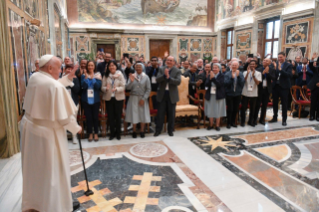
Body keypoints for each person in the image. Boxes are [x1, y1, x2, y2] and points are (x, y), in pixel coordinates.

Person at [21, 55, 81, 212]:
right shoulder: (54, 86)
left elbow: (51, 87)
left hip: (32, 131)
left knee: (36, 172)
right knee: (52, 172)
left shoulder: (35, 77)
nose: (61, 70)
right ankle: (55, 206)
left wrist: (68, 78)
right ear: (49, 68)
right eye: (59, 67)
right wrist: (76, 129)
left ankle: (35, 204)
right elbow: (64, 118)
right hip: (48, 136)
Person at [154, 56, 181, 137]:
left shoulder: (177, 70)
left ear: (174, 62)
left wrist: (169, 78)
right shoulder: (161, 69)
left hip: (172, 95)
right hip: (162, 94)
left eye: (171, 60)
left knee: (171, 114)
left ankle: (170, 130)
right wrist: (164, 76)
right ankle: (158, 130)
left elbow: (178, 82)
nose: (169, 61)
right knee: (160, 114)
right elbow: (157, 79)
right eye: (168, 60)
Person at [101, 60, 126, 140]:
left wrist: (116, 89)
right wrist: (106, 88)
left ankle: (118, 133)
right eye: (110, 65)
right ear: (108, 67)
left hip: (118, 97)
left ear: (116, 66)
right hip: (109, 98)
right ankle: (112, 133)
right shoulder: (106, 75)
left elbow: (123, 86)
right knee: (111, 117)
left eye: (113, 65)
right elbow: (102, 87)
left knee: (118, 116)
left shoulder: (120, 75)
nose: (112, 67)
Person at [125, 63, 151, 138]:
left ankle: (142, 131)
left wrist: (144, 98)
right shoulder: (132, 76)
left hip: (142, 98)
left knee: (142, 114)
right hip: (133, 97)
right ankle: (134, 131)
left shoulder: (146, 77)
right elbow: (127, 88)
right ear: (135, 68)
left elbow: (148, 89)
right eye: (137, 67)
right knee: (134, 114)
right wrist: (131, 81)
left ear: (142, 68)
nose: (138, 68)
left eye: (140, 67)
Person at [269, 52, 293, 126]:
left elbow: (289, 75)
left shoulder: (288, 65)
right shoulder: (275, 64)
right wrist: (276, 69)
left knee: (284, 104)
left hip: (284, 87)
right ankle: (274, 117)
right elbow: (274, 75)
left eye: (281, 57)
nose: (279, 59)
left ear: (285, 57)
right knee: (275, 103)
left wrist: (280, 69)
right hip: (276, 86)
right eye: (278, 57)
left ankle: (284, 120)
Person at [81, 61, 102, 142]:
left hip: (95, 99)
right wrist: (86, 78)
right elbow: (83, 86)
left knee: (95, 118)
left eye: (92, 65)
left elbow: (97, 86)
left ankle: (96, 133)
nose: (90, 67)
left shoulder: (98, 75)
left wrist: (93, 78)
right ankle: (90, 133)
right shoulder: (83, 76)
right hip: (86, 100)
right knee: (88, 118)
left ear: (94, 66)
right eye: (89, 65)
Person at [253, 58, 275, 125]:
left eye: (266, 61)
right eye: (264, 60)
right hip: (259, 89)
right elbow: (257, 79)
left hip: (267, 89)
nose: (264, 61)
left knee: (264, 105)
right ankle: (254, 119)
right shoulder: (258, 69)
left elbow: (274, 78)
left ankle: (262, 119)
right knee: (257, 105)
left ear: (269, 63)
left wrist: (267, 73)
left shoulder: (272, 70)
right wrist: (263, 73)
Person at [205, 63, 226, 131]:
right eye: (213, 68)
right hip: (211, 95)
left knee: (218, 110)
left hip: (219, 95)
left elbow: (219, 84)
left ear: (219, 69)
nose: (214, 69)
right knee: (211, 110)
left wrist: (213, 78)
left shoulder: (222, 75)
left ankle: (217, 125)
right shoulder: (210, 75)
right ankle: (211, 124)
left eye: (216, 67)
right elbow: (206, 84)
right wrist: (210, 79)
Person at [224, 60, 245, 128]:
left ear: (238, 66)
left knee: (235, 109)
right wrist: (232, 78)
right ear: (230, 66)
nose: (234, 66)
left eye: (236, 65)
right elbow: (226, 84)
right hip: (229, 94)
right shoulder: (227, 74)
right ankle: (228, 123)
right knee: (230, 109)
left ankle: (233, 122)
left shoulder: (240, 74)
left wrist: (238, 77)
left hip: (237, 94)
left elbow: (242, 84)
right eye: (233, 65)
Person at [241, 60, 262, 127]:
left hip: (254, 93)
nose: (252, 65)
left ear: (256, 65)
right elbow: (243, 81)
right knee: (244, 108)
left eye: (253, 64)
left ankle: (251, 121)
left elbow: (258, 83)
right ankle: (243, 121)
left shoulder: (258, 73)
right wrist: (247, 73)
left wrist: (253, 76)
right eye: (251, 64)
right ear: (249, 65)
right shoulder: (244, 72)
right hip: (245, 92)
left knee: (252, 108)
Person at [64, 63, 81, 144]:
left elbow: (77, 90)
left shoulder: (75, 78)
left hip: (74, 102)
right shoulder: (61, 78)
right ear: (65, 70)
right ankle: (64, 137)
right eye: (68, 69)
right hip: (63, 103)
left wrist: (71, 83)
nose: (69, 70)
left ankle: (74, 136)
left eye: (71, 69)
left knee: (73, 119)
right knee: (63, 120)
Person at [308, 53, 319, 121]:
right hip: (315, 87)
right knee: (313, 102)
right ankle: (312, 115)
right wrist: (312, 59)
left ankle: (318, 116)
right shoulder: (316, 68)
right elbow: (311, 66)